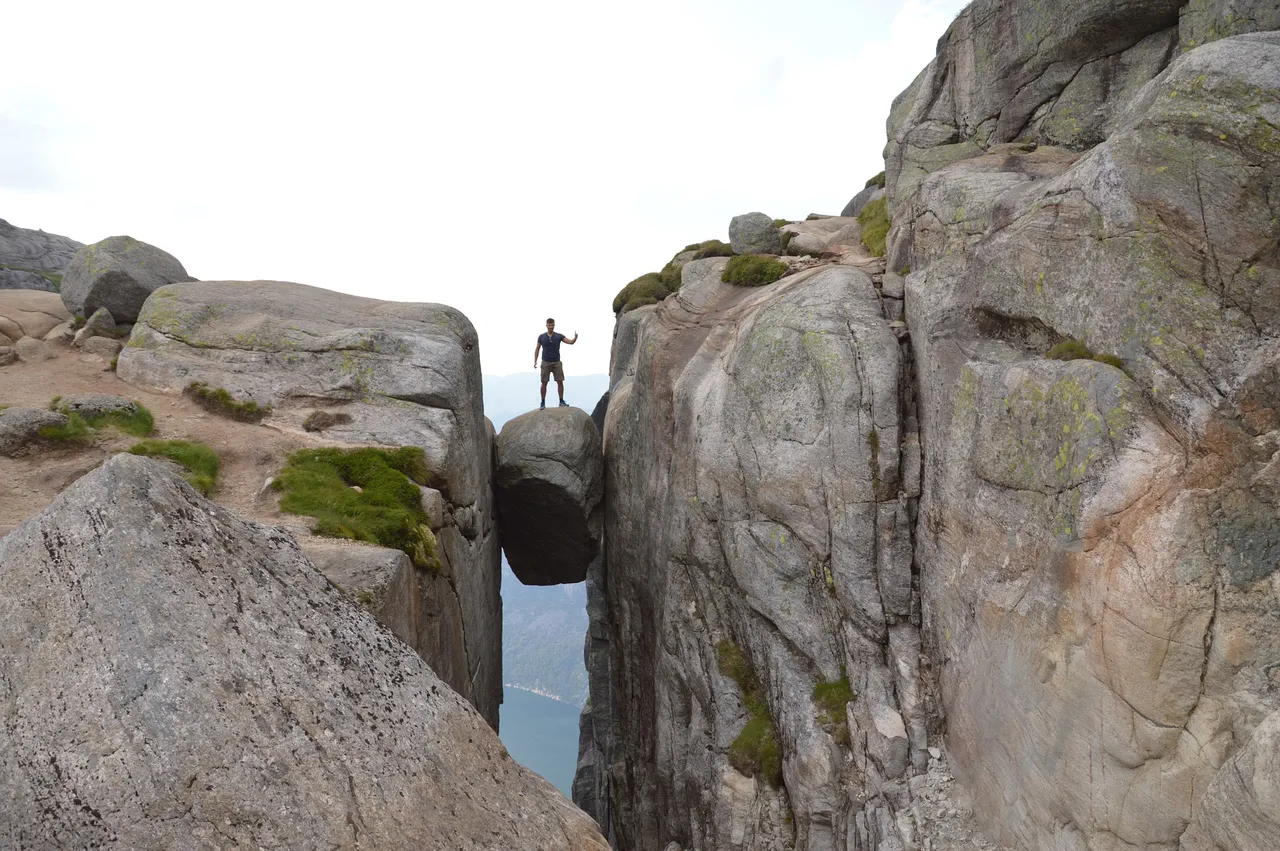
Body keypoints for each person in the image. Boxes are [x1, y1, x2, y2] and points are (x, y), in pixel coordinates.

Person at [534, 318, 578, 409]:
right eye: (549, 325)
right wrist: (535, 361)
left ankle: (561, 401)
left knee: (560, 382)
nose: (551, 327)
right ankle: (542, 402)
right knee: (544, 382)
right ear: (546, 325)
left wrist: (575, 338)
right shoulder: (541, 337)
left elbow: (570, 342)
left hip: (556, 362)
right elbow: (537, 349)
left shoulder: (558, 336)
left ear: (554, 325)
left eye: (552, 325)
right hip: (545, 362)